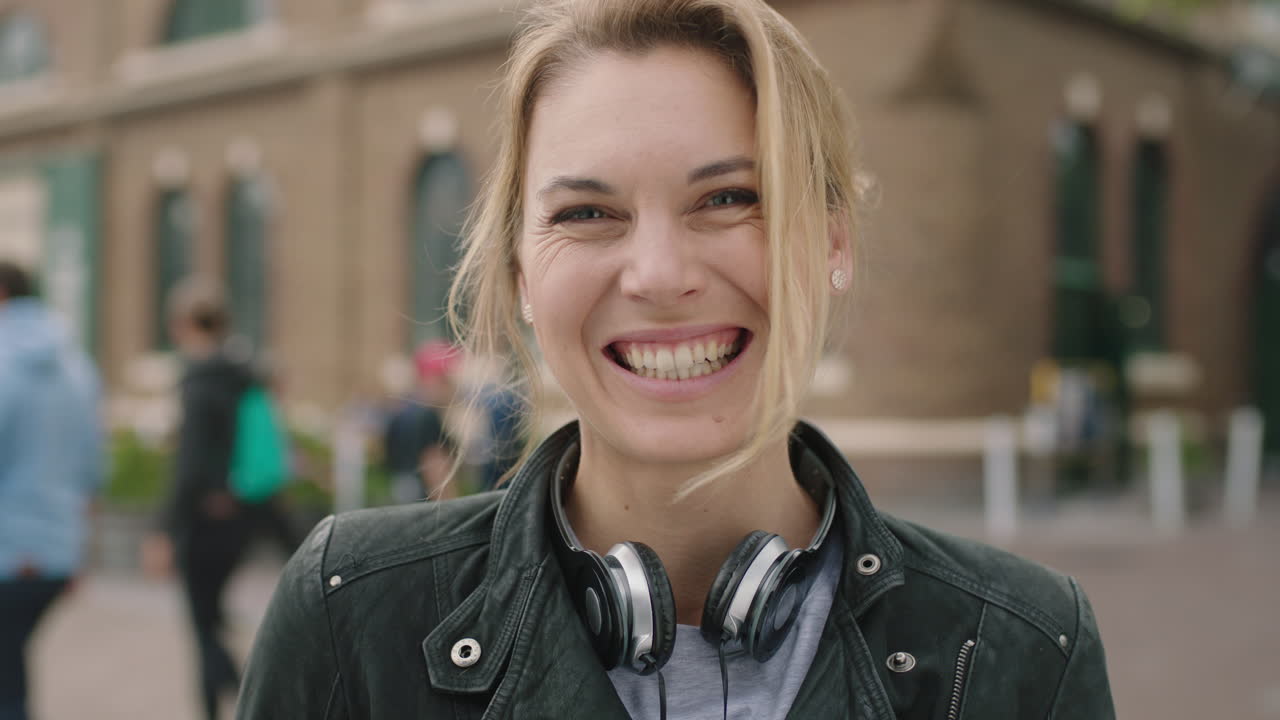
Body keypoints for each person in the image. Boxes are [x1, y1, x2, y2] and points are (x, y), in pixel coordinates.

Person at [238, 1, 1116, 718]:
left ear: (835, 241)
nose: (658, 275)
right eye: (587, 213)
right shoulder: (349, 618)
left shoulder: (1026, 654)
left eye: (729, 198)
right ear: (520, 273)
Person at [143, 277, 296, 720]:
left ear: (183, 325)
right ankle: (248, 696)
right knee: (212, 619)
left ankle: (244, 700)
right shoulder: (247, 374)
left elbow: (191, 465)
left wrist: (164, 529)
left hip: (205, 518)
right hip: (244, 511)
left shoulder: (199, 381)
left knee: (202, 626)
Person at [0, 261, 103, 720]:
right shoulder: (77, 365)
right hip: (56, 550)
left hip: (8, 549)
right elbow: (92, 467)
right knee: (10, 675)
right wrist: (79, 548)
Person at [381, 341, 456, 502]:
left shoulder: (400, 412)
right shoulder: (428, 416)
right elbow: (435, 467)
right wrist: (449, 505)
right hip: (426, 501)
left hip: (401, 495)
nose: (453, 387)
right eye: (447, 380)